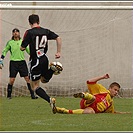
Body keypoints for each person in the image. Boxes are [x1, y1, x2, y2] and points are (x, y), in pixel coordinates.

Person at [20, 14, 63, 108]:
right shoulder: (46, 31)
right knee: (43, 80)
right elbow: (58, 38)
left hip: (36, 60)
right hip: (44, 58)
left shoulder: (29, 32)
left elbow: (22, 48)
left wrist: (23, 46)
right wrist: (58, 52)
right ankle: (52, 69)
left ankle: (49, 100)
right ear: (38, 21)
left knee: (34, 86)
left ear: (29, 23)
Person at [52, 74, 131, 114]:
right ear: (110, 88)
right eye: (115, 90)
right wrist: (102, 77)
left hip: (90, 108)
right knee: (93, 98)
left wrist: (125, 113)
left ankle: (62, 110)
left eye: (117, 91)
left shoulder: (110, 103)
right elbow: (89, 81)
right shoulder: (103, 90)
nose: (116, 92)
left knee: (90, 113)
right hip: (88, 101)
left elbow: (113, 113)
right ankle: (84, 95)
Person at [0, 28, 37, 99]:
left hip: (22, 62)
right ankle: (9, 96)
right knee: (12, 80)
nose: (15, 33)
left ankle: (33, 95)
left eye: (17, 32)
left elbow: (29, 51)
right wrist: (1, 59)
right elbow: (5, 51)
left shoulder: (23, 42)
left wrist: (35, 56)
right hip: (13, 63)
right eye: (14, 32)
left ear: (19, 33)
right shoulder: (10, 42)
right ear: (12, 34)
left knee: (27, 78)